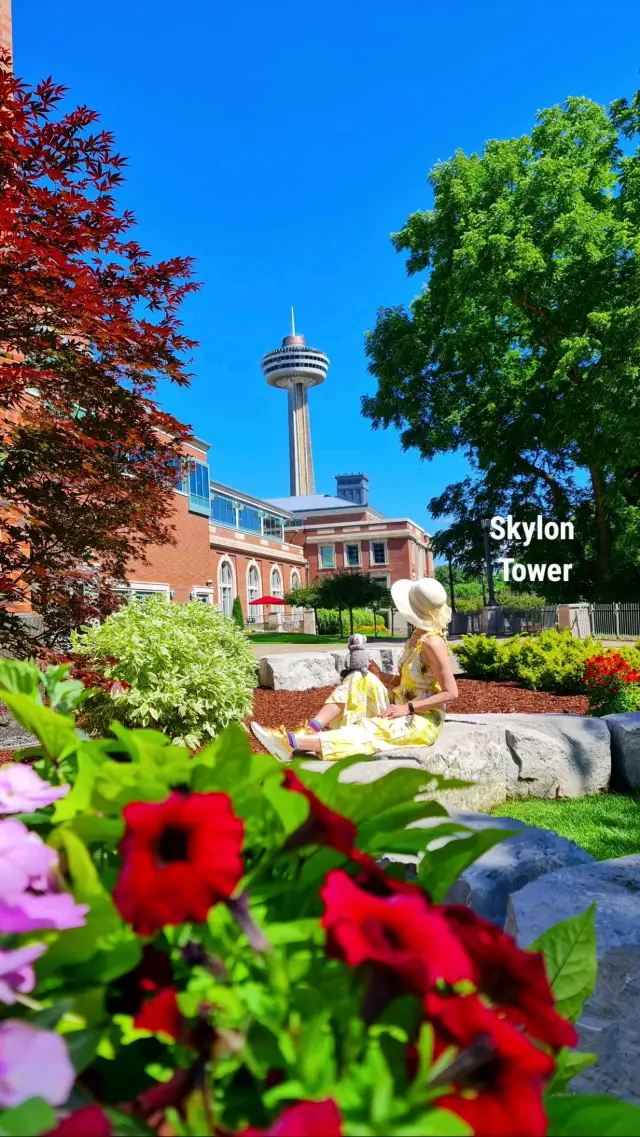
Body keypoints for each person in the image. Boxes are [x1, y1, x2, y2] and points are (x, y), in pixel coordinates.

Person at [250, 577, 458, 762]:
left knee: (371, 731)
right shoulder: (417, 636)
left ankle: (292, 742)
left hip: (421, 718)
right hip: (397, 703)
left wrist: (407, 708)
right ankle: (309, 729)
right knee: (359, 677)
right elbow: (409, 683)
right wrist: (379, 675)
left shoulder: (433, 643)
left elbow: (451, 692)